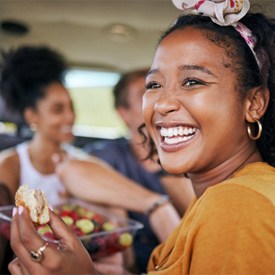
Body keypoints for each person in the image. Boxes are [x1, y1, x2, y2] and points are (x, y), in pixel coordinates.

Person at [8, 0, 275, 274]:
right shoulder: (215, 198)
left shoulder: (239, 203)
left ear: (253, 103)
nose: (161, 104)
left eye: (193, 81)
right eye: (154, 85)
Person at [84, 68, 195, 272]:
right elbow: (72, 169)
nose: (160, 100)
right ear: (123, 113)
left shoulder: (190, 158)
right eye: (148, 91)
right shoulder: (109, 154)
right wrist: (156, 206)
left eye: (161, 88)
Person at [0, 45, 95, 206]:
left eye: (71, 107)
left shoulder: (84, 163)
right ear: (32, 116)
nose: (70, 116)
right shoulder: (10, 165)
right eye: (58, 110)